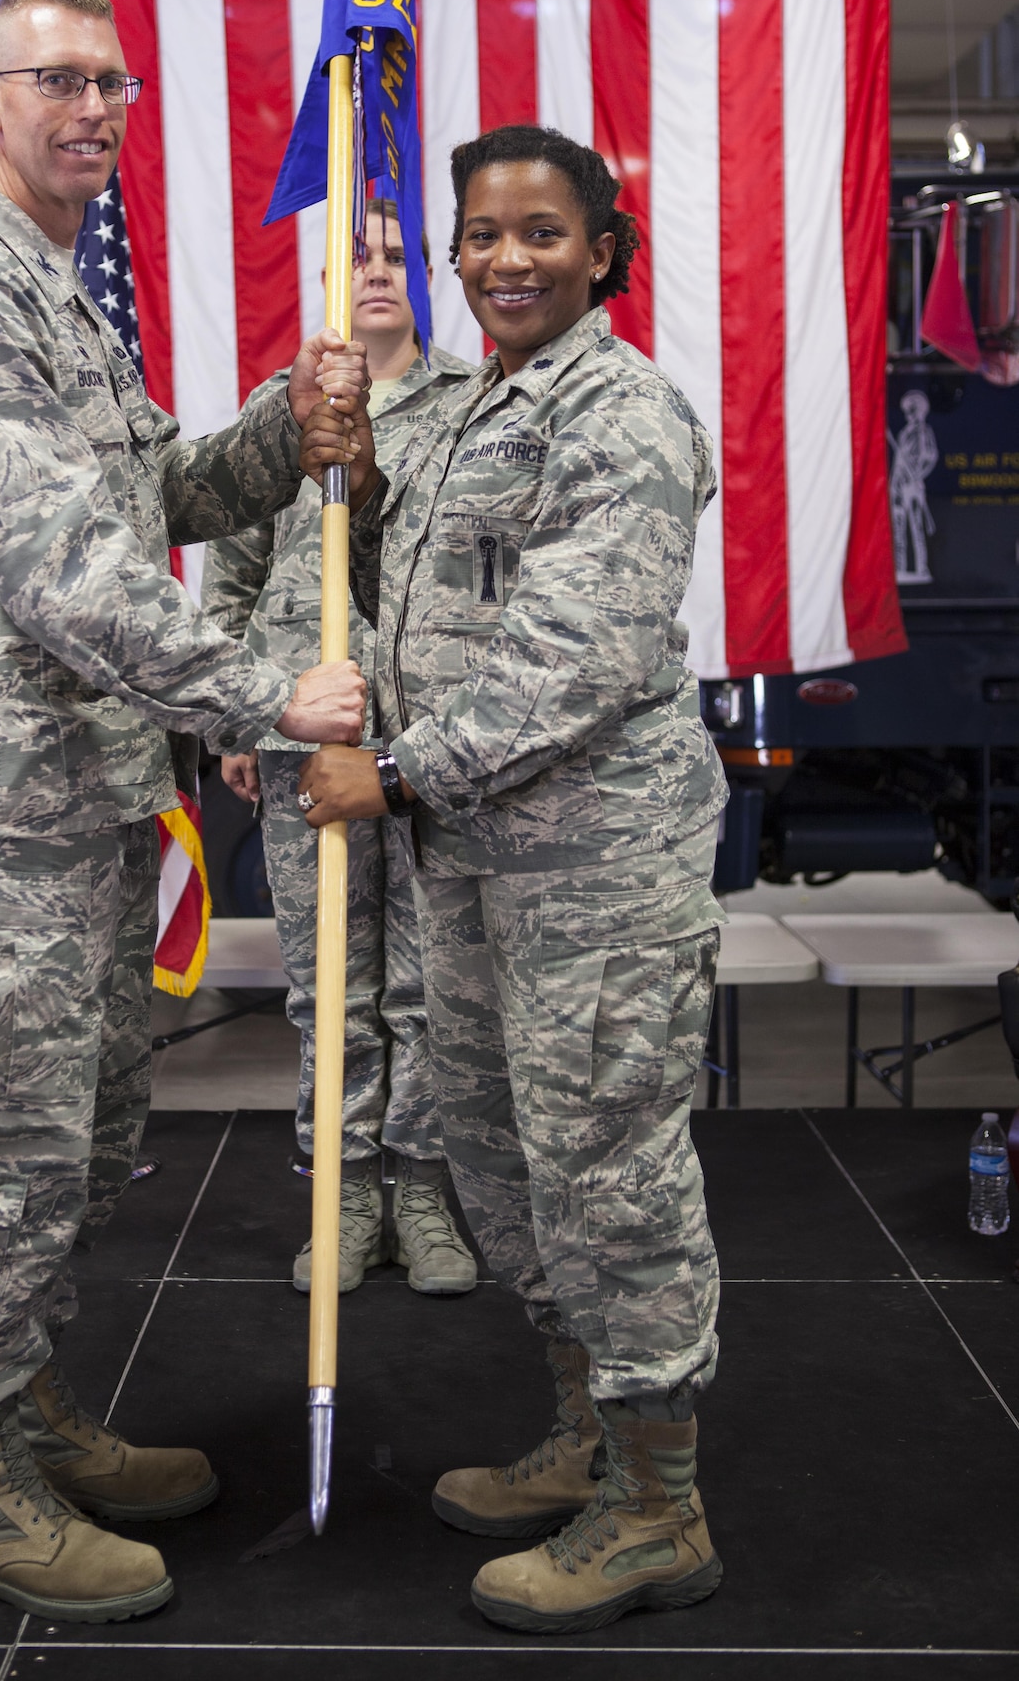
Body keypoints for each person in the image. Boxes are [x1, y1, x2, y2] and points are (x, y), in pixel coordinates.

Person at [0, 0, 368, 1626]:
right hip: (1, 797)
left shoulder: (64, 305)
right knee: (3, 1145)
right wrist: (260, 692)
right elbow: (63, 568)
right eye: (58, 81)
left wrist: (279, 435)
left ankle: (22, 1406)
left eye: (113, 84)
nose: (93, 110)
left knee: (83, 1137)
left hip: (82, 792)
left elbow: (150, 481)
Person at [298, 124, 729, 1635]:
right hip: (477, 873)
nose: (504, 260)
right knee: (501, 1161)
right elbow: (404, 605)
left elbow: (575, 660)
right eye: (482, 235)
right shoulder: (478, 407)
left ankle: (658, 1507)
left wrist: (397, 774)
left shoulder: (620, 415)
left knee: (610, 1176)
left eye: (541, 234)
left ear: (601, 252)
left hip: (594, 876)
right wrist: (350, 473)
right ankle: (588, 1438)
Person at [201, 200, 477, 1297]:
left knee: (429, 980)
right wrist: (237, 715)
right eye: (352, 257)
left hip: (429, 740)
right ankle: (343, 1187)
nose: (375, 273)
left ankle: (421, 1183)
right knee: (330, 982)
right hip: (303, 736)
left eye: (394, 255)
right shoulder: (285, 409)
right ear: (316, 276)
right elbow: (228, 574)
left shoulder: (467, 407)